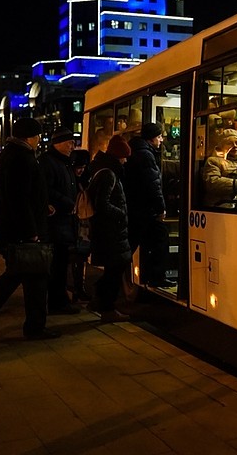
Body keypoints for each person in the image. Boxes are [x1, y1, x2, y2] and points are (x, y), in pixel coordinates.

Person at [0, 117, 61, 340]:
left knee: (22, 276)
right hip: (23, 232)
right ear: (30, 137)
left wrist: (41, 206)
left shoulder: (14, 154)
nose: (39, 141)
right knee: (32, 277)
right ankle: (28, 326)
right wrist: (31, 231)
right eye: (37, 136)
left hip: (18, 228)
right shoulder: (21, 157)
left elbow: (25, 195)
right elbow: (19, 199)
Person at [87, 134, 132, 322]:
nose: (126, 160)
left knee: (114, 268)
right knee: (115, 268)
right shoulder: (109, 174)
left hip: (109, 231)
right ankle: (107, 308)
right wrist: (121, 214)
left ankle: (100, 302)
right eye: (124, 156)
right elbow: (102, 204)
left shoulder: (104, 170)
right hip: (110, 231)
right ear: (118, 155)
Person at [38, 127, 80, 315]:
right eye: (70, 142)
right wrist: (68, 203)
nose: (73, 146)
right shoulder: (49, 162)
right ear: (59, 143)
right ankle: (57, 303)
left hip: (64, 223)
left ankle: (60, 300)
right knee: (57, 266)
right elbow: (46, 189)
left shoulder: (64, 162)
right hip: (55, 223)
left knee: (62, 264)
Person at [124, 122, 169, 287]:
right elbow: (153, 184)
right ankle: (156, 277)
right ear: (152, 138)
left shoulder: (138, 151)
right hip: (144, 210)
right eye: (159, 136)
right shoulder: (146, 155)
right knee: (160, 237)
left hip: (136, 208)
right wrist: (160, 208)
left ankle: (148, 276)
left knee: (135, 243)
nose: (162, 140)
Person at [69, 148, 92, 303]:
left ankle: (79, 289)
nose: (80, 171)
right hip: (73, 224)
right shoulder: (69, 181)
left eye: (83, 168)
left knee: (81, 258)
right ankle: (77, 289)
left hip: (83, 225)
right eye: (78, 168)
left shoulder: (86, 180)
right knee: (74, 258)